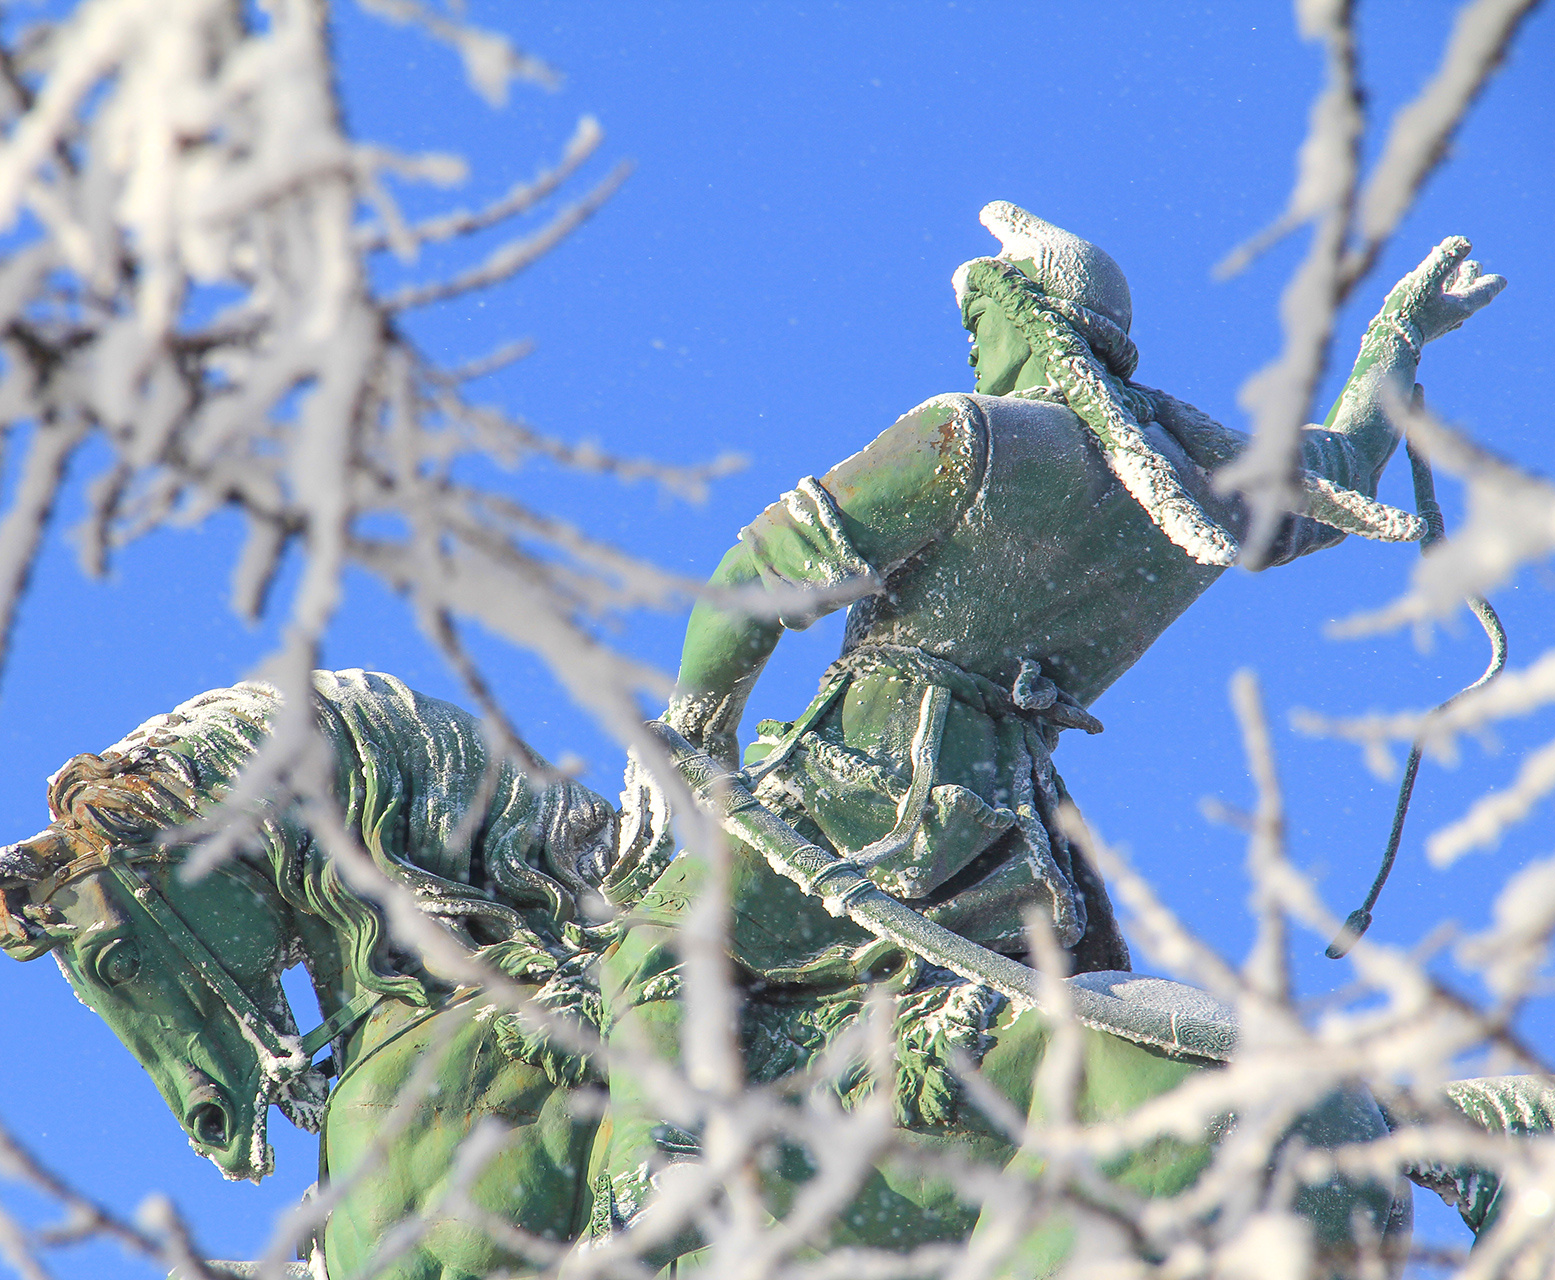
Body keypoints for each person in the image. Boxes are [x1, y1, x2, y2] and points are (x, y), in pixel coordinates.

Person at [590, 202, 1504, 1260]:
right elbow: (1342, 467)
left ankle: (657, 1176)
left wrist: (697, 727)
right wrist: (1396, 338)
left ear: (1029, 319)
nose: (975, 351)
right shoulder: (1190, 487)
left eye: (983, 325)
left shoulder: (972, 435)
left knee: (655, 947)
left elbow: (760, 572)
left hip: (864, 790)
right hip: (1011, 854)